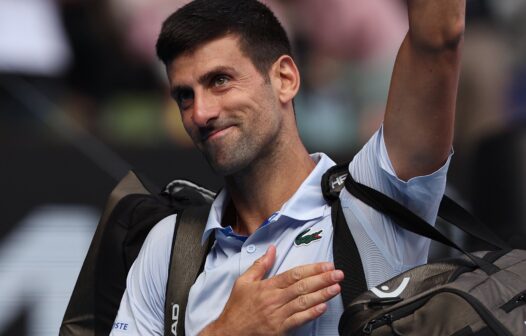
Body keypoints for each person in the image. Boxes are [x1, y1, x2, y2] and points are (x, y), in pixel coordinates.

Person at [110, 0, 465, 334]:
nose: (200, 113)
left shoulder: (375, 198)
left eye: (219, 80)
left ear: (285, 79)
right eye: (185, 96)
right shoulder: (168, 245)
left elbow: (438, 35)